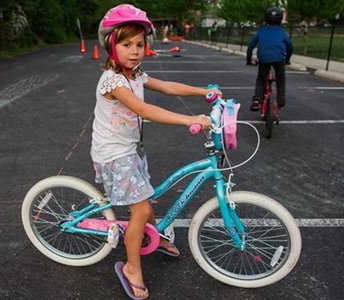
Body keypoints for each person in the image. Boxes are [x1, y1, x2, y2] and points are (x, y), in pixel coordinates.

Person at [93, 4, 220, 300]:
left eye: (139, 44)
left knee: (146, 198)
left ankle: (154, 237)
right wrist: (189, 119)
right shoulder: (113, 81)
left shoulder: (135, 73)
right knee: (142, 209)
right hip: (113, 154)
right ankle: (132, 268)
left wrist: (203, 91)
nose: (135, 51)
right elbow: (142, 108)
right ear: (112, 46)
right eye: (126, 44)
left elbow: (167, 86)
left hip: (130, 149)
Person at [247, 7, 293, 111]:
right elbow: (290, 47)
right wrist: (287, 59)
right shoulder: (282, 32)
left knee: (261, 79)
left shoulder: (261, 31)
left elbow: (250, 48)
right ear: (280, 20)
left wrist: (248, 61)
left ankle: (257, 100)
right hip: (279, 59)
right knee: (280, 79)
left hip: (264, 59)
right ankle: (281, 102)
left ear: (266, 19)